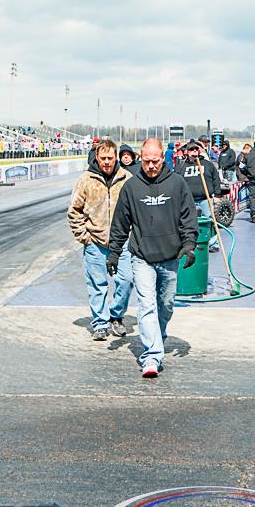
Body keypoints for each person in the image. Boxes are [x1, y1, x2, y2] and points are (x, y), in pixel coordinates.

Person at [106, 139, 196, 378]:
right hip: (142, 257)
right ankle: (152, 356)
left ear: (162, 158)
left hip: (169, 256)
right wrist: (114, 253)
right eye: (146, 161)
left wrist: (189, 245)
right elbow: (120, 223)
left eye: (155, 161)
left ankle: (158, 336)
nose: (151, 165)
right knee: (147, 305)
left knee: (166, 305)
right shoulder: (131, 187)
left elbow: (188, 217)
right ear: (141, 158)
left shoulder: (177, 184)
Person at [68, 139, 134, 341]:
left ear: (116, 158)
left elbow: (135, 209)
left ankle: (116, 316)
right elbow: (74, 211)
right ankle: (100, 323)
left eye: (110, 158)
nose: (106, 162)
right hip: (95, 242)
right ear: (97, 157)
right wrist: (84, 236)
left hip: (121, 243)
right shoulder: (86, 179)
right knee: (97, 285)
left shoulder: (127, 178)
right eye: (103, 158)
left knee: (126, 280)